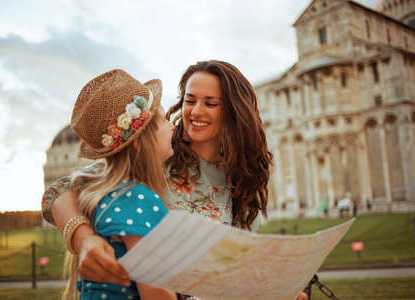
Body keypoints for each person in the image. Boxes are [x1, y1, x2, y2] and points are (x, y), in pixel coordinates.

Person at [42, 61, 307, 300]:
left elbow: (238, 272)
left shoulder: (240, 182)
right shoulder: (153, 155)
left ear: (234, 113)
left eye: (210, 103)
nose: (195, 112)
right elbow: (58, 191)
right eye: (190, 100)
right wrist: (84, 239)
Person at [60, 69, 176, 299]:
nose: (172, 126)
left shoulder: (106, 196)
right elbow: (158, 294)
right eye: (163, 120)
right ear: (139, 142)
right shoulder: (139, 199)